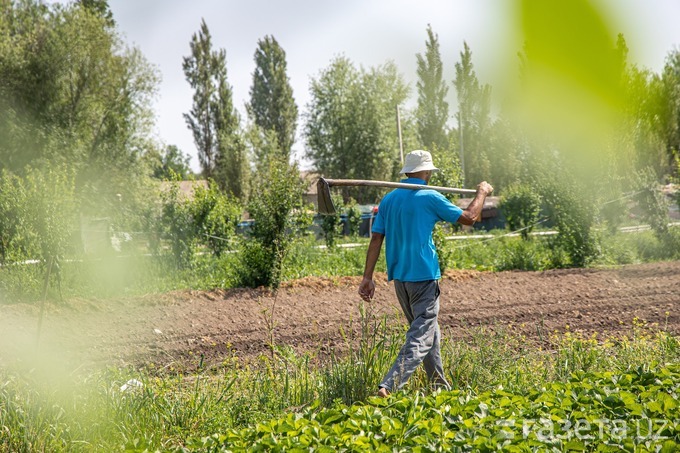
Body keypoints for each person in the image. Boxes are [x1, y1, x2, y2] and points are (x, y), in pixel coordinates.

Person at [358, 150, 493, 397]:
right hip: (424, 277)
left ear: (407, 171)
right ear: (427, 171)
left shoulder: (389, 200)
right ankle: (389, 385)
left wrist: (367, 277)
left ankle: (440, 388)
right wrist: (482, 192)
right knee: (420, 337)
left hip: (400, 279)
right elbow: (469, 218)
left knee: (429, 333)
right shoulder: (430, 196)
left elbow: (376, 237)